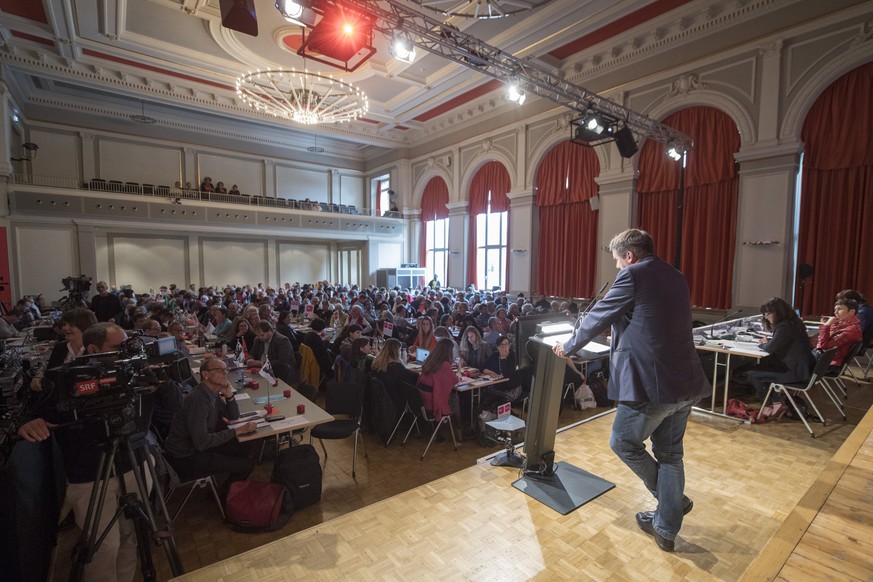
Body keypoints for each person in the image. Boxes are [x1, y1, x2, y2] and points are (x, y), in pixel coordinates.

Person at [553, 228, 710, 552]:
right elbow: (654, 323)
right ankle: (665, 528)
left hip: (651, 385)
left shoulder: (634, 275)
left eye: (617, 262)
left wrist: (568, 346)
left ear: (630, 256)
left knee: (623, 441)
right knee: (670, 455)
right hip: (686, 381)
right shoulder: (676, 276)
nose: (617, 269)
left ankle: (671, 503)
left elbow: (597, 317)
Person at [17, 323, 167, 582]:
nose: (125, 353)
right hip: (91, 475)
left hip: (134, 462)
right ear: (93, 349)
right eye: (118, 348)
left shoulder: (133, 371)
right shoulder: (67, 378)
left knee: (132, 538)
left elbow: (170, 403)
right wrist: (28, 422)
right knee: (104, 547)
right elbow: (38, 412)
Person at [163, 360, 256, 494]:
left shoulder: (212, 393)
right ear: (205, 374)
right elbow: (202, 442)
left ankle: (228, 482)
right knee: (247, 465)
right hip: (185, 457)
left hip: (197, 448)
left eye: (226, 370)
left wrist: (229, 396)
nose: (225, 373)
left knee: (245, 444)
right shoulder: (198, 399)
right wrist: (237, 431)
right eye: (220, 370)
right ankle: (222, 497)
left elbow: (234, 417)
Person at [744, 298, 814, 413]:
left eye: (768, 313)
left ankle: (768, 406)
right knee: (764, 365)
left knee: (752, 373)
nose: (766, 317)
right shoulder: (793, 322)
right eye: (764, 314)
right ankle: (776, 401)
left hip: (794, 372)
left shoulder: (784, 327)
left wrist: (764, 343)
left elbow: (770, 348)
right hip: (803, 368)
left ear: (778, 312)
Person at [30, 308, 97, 391]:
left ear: (85, 326)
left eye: (71, 325)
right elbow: (50, 372)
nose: (65, 328)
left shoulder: (96, 349)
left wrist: (80, 389)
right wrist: (39, 375)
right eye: (64, 324)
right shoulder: (60, 347)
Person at [418, 337, 462, 441]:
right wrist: (459, 369)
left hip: (420, 401)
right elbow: (455, 381)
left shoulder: (430, 360)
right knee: (455, 398)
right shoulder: (444, 365)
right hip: (431, 404)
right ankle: (460, 432)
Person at [815, 297, 862, 371]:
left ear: (852, 311)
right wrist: (831, 324)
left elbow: (824, 346)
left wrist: (826, 325)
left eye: (839, 309)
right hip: (827, 358)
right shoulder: (846, 324)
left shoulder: (850, 330)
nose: (835, 312)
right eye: (835, 310)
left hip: (829, 363)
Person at [370, 338, 420, 408]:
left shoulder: (377, 363)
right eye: (399, 350)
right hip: (394, 400)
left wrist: (407, 370)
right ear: (396, 352)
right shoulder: (396, 367)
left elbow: (401, 373)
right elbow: (415, 377)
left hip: (381, 399)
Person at [480, 334, 523, 411]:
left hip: (511, 388)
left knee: (499, 405)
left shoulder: (513, 356)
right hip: (498, 387)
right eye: (501, 345)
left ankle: (504, 418)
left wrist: (503, 358)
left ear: (509, 345)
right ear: (497, 347)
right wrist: (491, 372)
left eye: (506, 344)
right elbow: (482, 367)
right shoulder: (494, 355)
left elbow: (507, 375)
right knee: (484, 402)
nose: (504, 347)